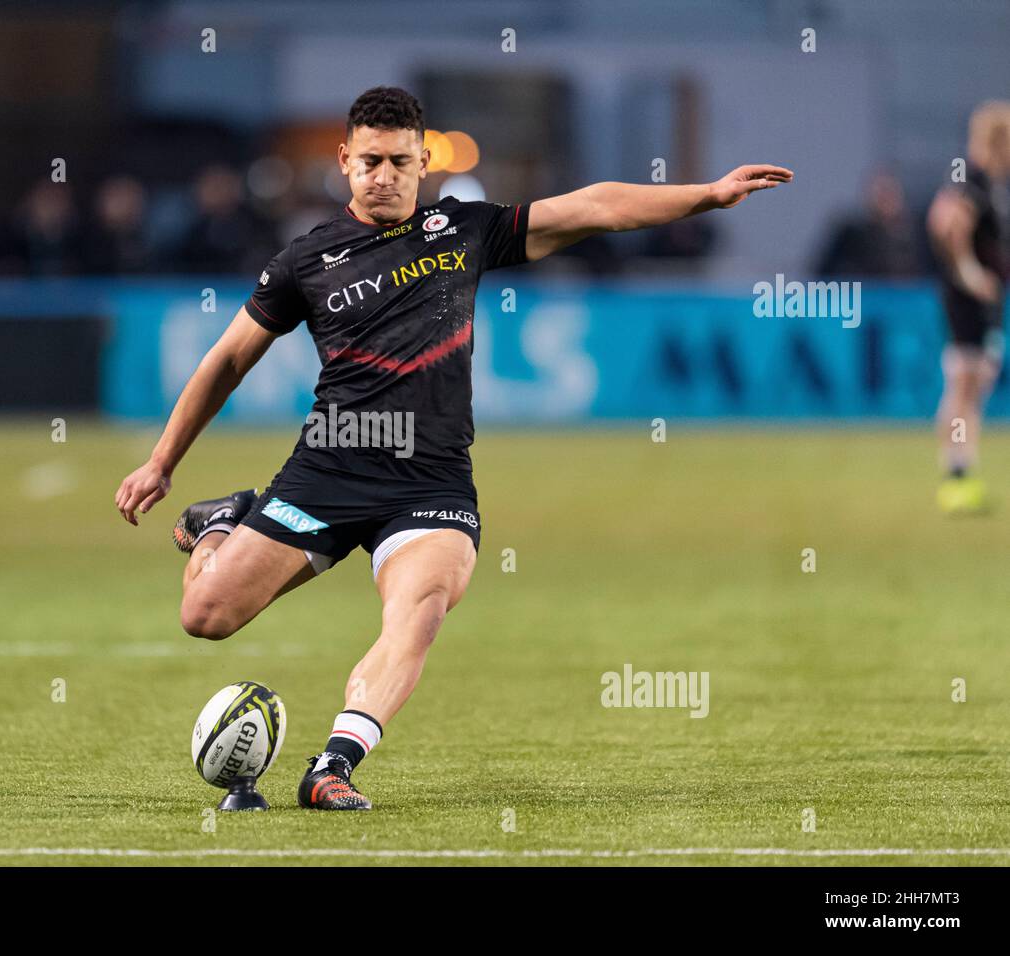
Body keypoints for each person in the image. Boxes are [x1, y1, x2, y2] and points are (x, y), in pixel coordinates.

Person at [114, 86, 791, 809]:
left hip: (428, 486)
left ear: (423, 161)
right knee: (205, 617)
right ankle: (225, 522)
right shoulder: (303, 263)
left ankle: (333, 766)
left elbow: (592, 208)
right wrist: (162, 461)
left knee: (422, 607)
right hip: (329, 472)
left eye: (401, 161)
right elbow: (226, 361)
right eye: (370, 160)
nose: (385, 175)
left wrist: (707, 195)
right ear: (344, 161)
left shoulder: (463, 230)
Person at [927, 101, 1010, 514]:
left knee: (976, 384)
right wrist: (969, 273)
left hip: (987, 303)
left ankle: (965, 472)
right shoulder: (971, 175)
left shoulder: (992, 183)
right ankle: (955, 476)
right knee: (963, 385)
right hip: (968, 301)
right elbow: (944, 222)